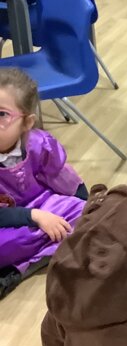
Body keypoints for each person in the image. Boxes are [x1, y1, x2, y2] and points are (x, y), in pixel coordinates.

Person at [0, 68, 87, 298]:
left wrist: (90, 211)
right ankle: (44, 252)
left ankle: (21, 266)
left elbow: (69, 183)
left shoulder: (40, 144)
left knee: (82, 212)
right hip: (10, 223)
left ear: (27, 122)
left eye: (1, 114)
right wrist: (35, 217)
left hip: (49, 206)